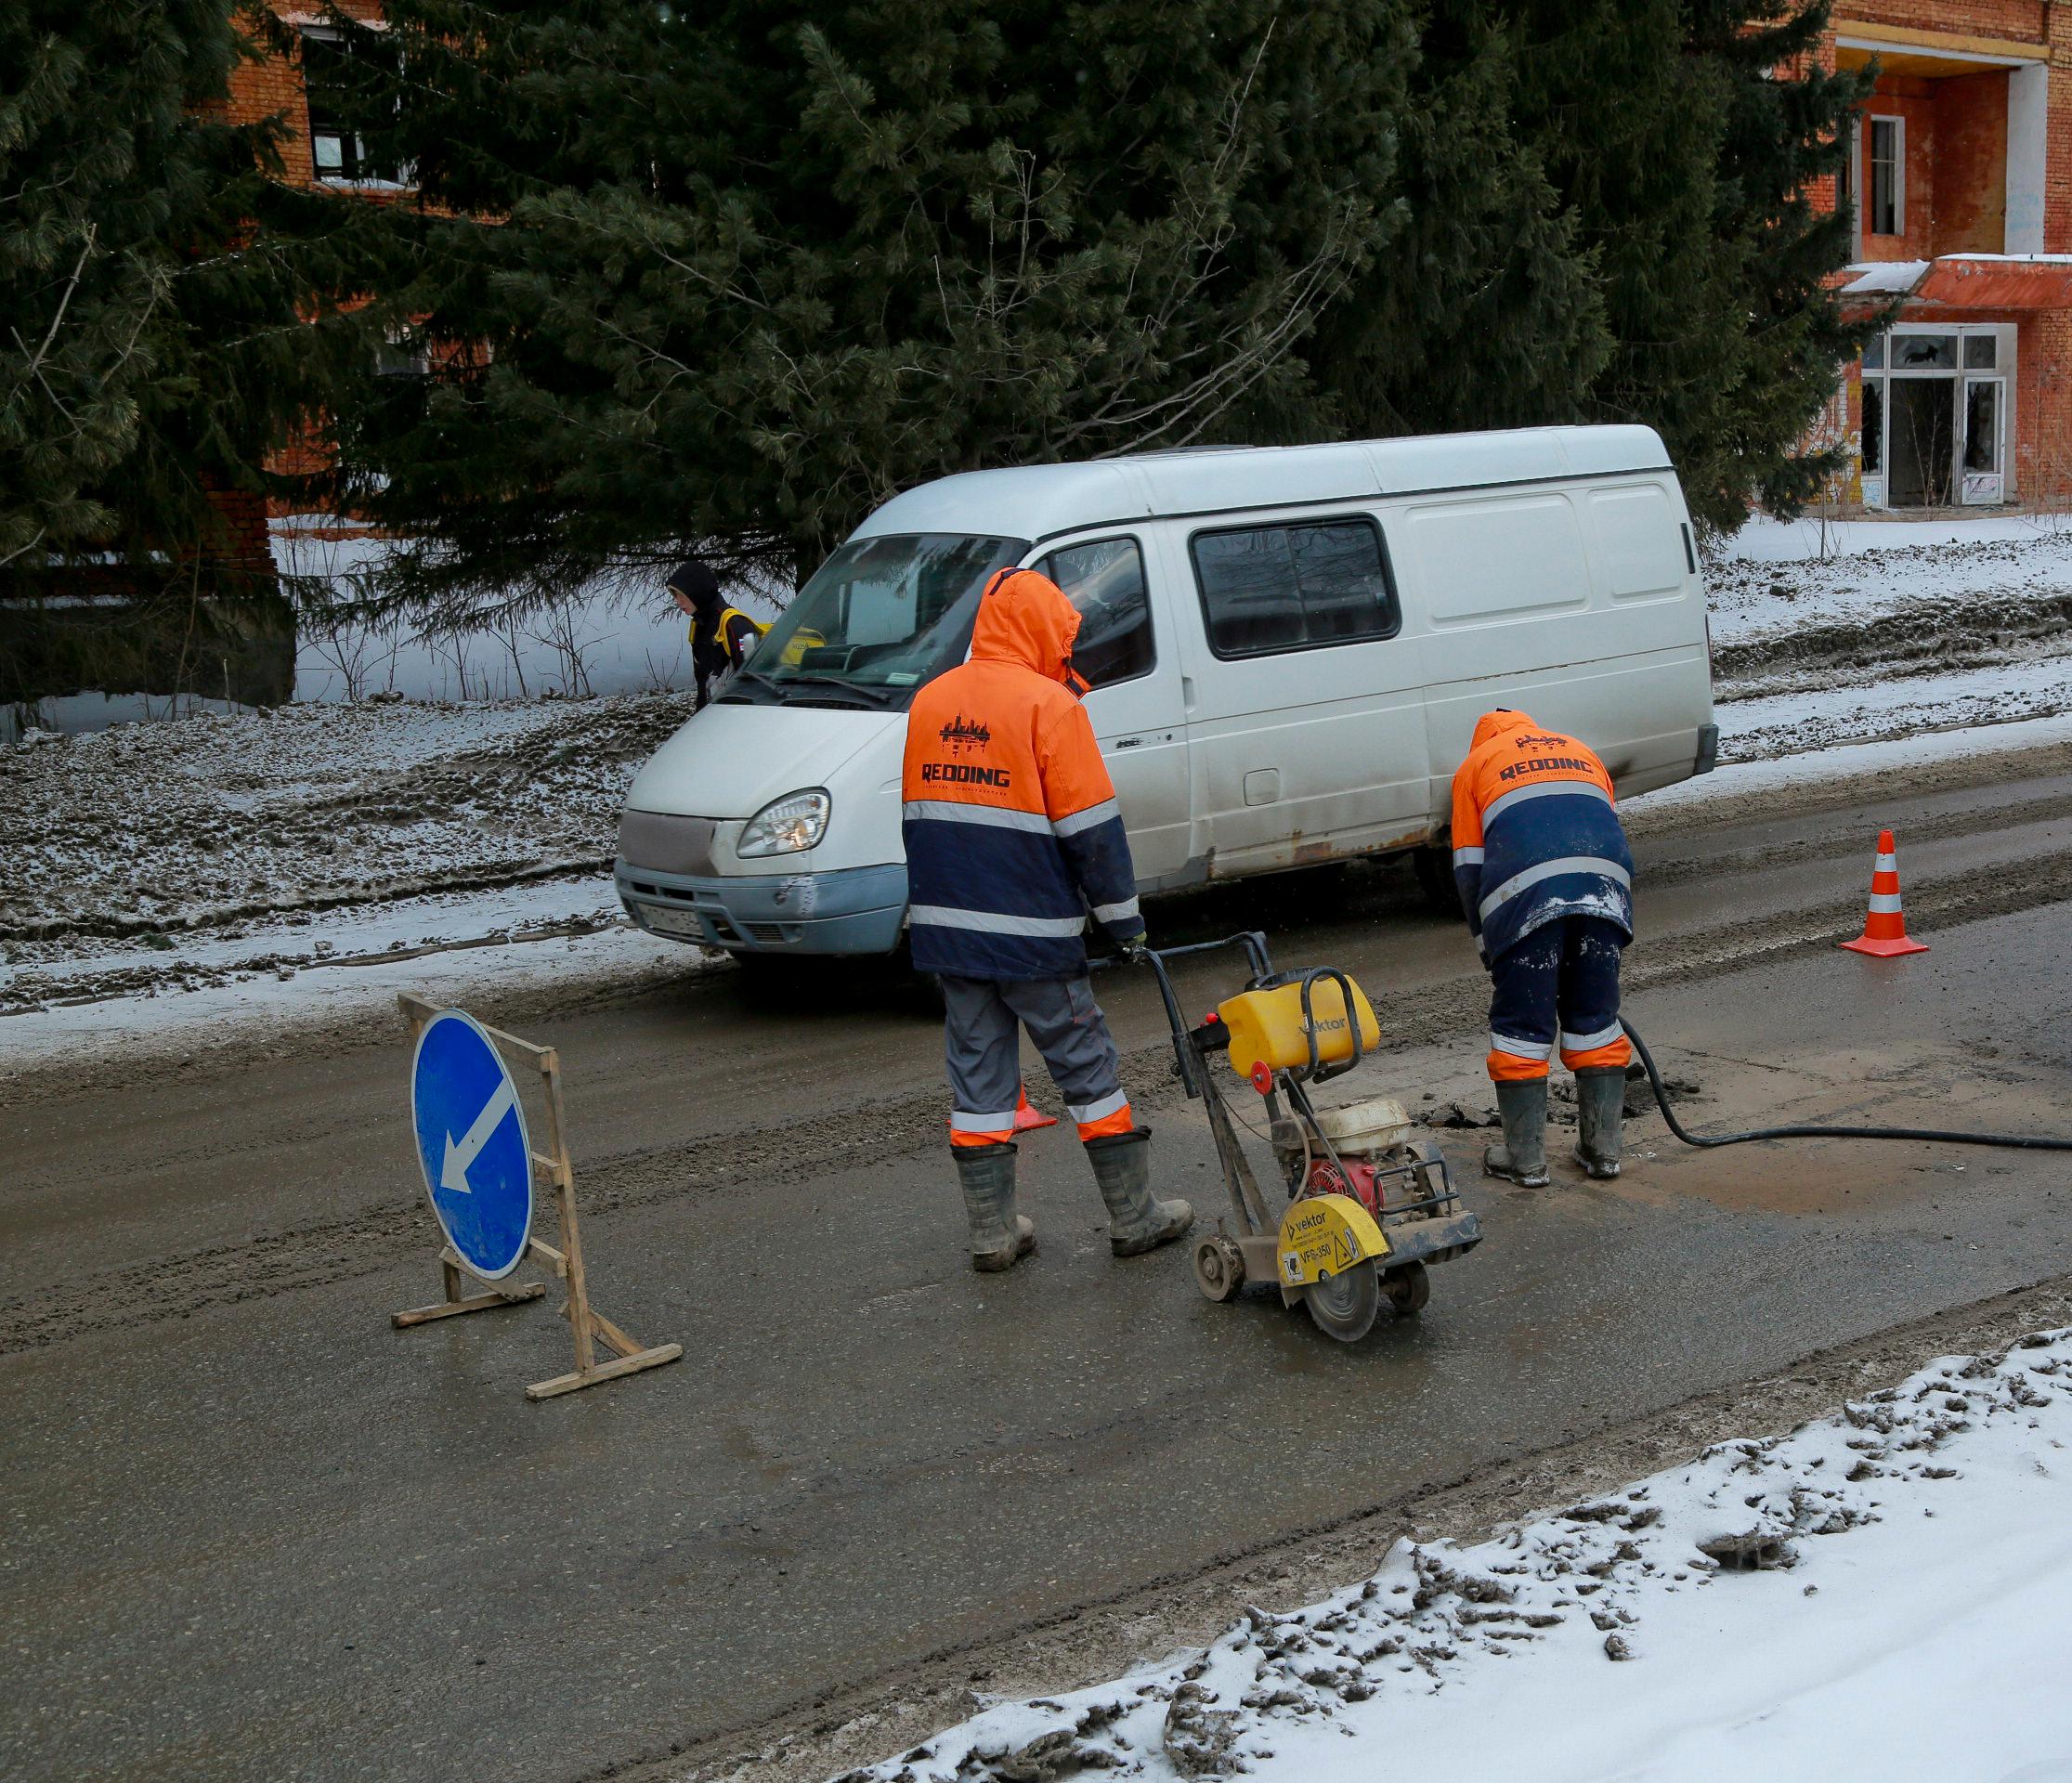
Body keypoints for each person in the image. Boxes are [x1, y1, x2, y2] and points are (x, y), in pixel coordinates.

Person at [901, 566, 1192, 1271]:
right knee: (1087, 1068)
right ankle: (1133, 1217)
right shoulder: (1047, 706)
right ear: (1041, 631)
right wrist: (1124, 924)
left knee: (978, 1083)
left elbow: (921, 820)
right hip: (1032, 934)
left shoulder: (930, 701)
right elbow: (1091, 831)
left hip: (949, 931)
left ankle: (992, 1235)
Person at [1449, 709, 1635, 1186]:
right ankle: (1603, 1152)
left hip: (1527, 896)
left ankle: (1527, 1161)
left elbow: (1470, 868)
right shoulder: (1579, 749)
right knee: (1594, 1018)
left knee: (1521, 1026)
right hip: (1606, 889)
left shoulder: (1475, 767)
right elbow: (1601, 827)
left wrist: (1490, 946)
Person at [666, 558, 767, 709]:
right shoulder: (699, 624)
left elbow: (756, 684)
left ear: (697, 591)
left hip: (738, 716)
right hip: (713, 715)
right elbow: (703, 682)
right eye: (675, 596)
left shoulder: (734, 624)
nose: (678, 602)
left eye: (681, 595)